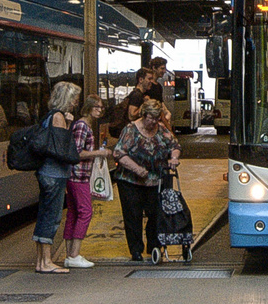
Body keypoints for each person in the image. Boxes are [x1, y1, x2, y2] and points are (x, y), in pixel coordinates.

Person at [33, 83, 102, 274]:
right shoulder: (58, 117)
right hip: (54, 173)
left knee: (45, 215)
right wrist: (68, 124)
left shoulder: (49, 116)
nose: (74, 103)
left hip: (47, 172)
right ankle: (46, 261)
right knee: (52, 217)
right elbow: (63, 147)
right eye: (73, 99)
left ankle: (41, 261)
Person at [112, 98, 180, 262]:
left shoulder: (161, 129)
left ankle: (154, 247)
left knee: (156, 213)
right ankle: (136, 250)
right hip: (130, 181)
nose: (154, 122)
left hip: (155, 181)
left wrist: (174, 158)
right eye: (151, 118)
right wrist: (138, 169)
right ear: (143, 115)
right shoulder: (131, 130)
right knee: (133, 215)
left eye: (157, 118)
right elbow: (119, 153)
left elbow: (175, 146)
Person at [60, 88, 112, 269]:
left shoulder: (81, 125)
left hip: (75, 175)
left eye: (101, 108)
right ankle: (75, 254)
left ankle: (69, 254)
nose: (100, 110)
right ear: (89, 108)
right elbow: (77, 152)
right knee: (85, 212)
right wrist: (100, 152)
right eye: (97, 107)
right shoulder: (83, 126)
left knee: (73, 213)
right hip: (78, 175)